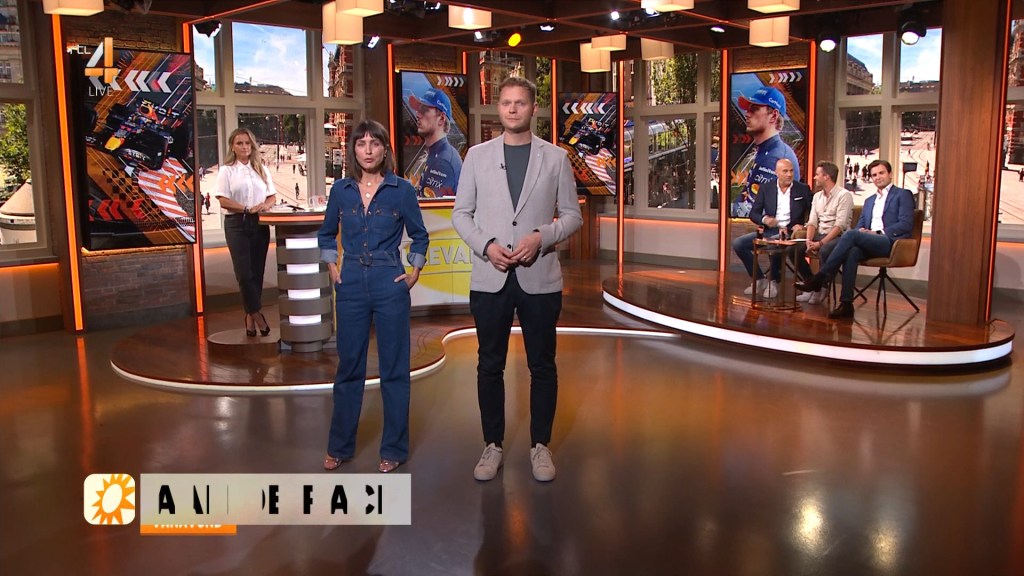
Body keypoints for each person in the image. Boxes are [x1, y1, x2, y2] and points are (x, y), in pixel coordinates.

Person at [452, 77, 583, 483]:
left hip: (538, 277)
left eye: (520, 103)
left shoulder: (556, 158)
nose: (512, 109)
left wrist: (542, 236)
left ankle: (540, 446)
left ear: (533, 109)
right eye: (506, 102)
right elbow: (461, 214)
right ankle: (492, 445)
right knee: (489, 364)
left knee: (542, 365)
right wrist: (486, 245)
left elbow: (573, 216)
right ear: (499, 108)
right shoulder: (476, 157)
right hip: (490, 275)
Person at [318, 119, 429, 474]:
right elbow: (326, 233)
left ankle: (393, 449)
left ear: (385, 149)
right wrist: (332, 266)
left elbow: (420, 235)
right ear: (353, 149)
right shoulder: (341, 191)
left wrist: (414, 271)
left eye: (374, 143)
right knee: (349, 367)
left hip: (388, 280)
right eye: (361, 143)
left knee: (393, 368)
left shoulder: (401, 190)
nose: (368, 150)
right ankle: (339, 446)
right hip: (350, 281)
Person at [796, 159, 915, 320]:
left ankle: (820, 278)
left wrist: (877, 232)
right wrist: (862, 231)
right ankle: (846, 304)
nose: (877, 177)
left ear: (890, 174)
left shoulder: (902, 194)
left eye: (881, 173)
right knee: (852, 251)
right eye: (874, 175)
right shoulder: (869, 200)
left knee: (850, 234)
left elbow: (906, 224)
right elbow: (860, 225)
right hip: (868, 241)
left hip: (890, 242)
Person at [215, 128, 276, 338]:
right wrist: (246, 209)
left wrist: (265, 206)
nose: (244, 147)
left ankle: (250, 319)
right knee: (244, 274)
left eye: (247, 143)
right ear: (232, 146)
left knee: (257, 272)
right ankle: (258, 315)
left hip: (259, 223)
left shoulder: (261, 169)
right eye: (239, 143)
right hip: (236, 224)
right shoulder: (226, 171)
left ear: (252, 146)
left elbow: (271, 196)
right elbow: (223, 200)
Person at [732, 158, 811, 298]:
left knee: (776, 243)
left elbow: (814, 212)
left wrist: (804, 226)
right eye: (785, 171)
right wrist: (765, 219)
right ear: (776, 173)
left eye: (791, 171)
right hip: (770, 230)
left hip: (791, 232)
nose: (789, 174)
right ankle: (759, 279)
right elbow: (754, 213)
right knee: (739, 244)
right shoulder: (766, 188)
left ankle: (774, 281)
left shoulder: (803, 189)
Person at [733, 86, 801, 217]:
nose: (747, 114)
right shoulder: (767, 151)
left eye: (754, 109)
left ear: (773, 116)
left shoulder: (774, 158)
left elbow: (748, 212)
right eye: (748, 109)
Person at [795, 161, 854, 304]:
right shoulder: (817, 196)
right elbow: (812, 222)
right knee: (794, 249)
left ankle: (822, 287)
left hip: (839, 237)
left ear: (826, 176)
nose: (814, 177)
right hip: (819, 234)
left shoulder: (844, 195)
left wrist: (820, 243)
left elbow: (840, 226)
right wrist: (809, 241)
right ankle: (811, 284)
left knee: (825, 250)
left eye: (817, 174)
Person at [409, 88, 463, 197]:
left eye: (424, 110)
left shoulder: (443, 162)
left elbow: (428, 207)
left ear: (442, 118)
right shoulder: (437, 153)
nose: (418, 114)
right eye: (418, 109)